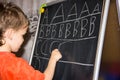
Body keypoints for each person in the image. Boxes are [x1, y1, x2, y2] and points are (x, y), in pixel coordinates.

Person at [0, 2, 62, 80]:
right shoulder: (16, 66)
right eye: (22, 35)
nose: (23, 39)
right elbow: (45, 79)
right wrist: (53, 59)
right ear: (10, 34)